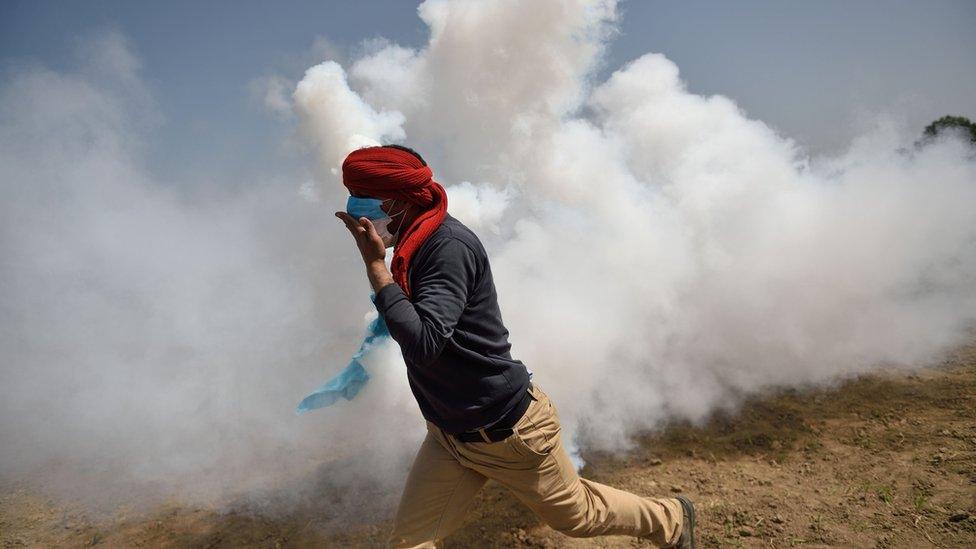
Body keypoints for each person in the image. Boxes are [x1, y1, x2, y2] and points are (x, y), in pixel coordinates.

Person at [334, 144, 696, 548]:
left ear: (401, 201)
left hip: (510, 433)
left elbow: (424, 343)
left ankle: (673, 518)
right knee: (411, 541)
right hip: (449, 434)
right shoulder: (412, 245)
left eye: (366, 205)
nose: (360, 219)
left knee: (578, 516)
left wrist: (375, 267)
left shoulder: (446, 247)